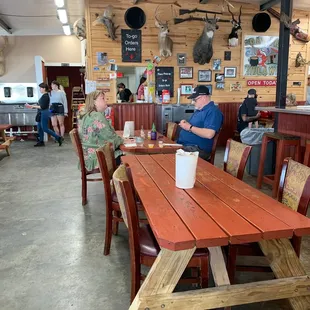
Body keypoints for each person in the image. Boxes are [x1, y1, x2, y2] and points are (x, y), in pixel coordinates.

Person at [78, 90, 123, 170]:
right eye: (103, 98)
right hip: (98, 157)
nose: (106, 100)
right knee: (131, 158)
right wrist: (123, 141)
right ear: (94, 102)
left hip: (89, 157)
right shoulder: (97, 116)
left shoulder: (87, 115)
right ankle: (120, 181)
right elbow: (111, 140)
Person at [177, 85, 223, 161]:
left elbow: (209, 134)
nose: (193, 102)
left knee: (165, 158)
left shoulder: (213, 111)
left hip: (197, 149)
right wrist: (186, 125)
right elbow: (194, 127)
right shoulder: (199, 110)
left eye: (195, 100)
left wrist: (189, 127)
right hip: (186, 146)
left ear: (204, 97)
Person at [25, 83, 62, 147]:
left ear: (44, 89)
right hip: (41, 113)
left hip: (44, 113)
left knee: (45, 128)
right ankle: (41, 141)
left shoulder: (46, 96)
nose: (40, 89)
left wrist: (31, 106)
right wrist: (32, 106)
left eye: (41, 88)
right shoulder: (43, 96)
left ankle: (58, 137)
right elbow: (40, 105)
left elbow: (42, 107)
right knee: (39, 128)